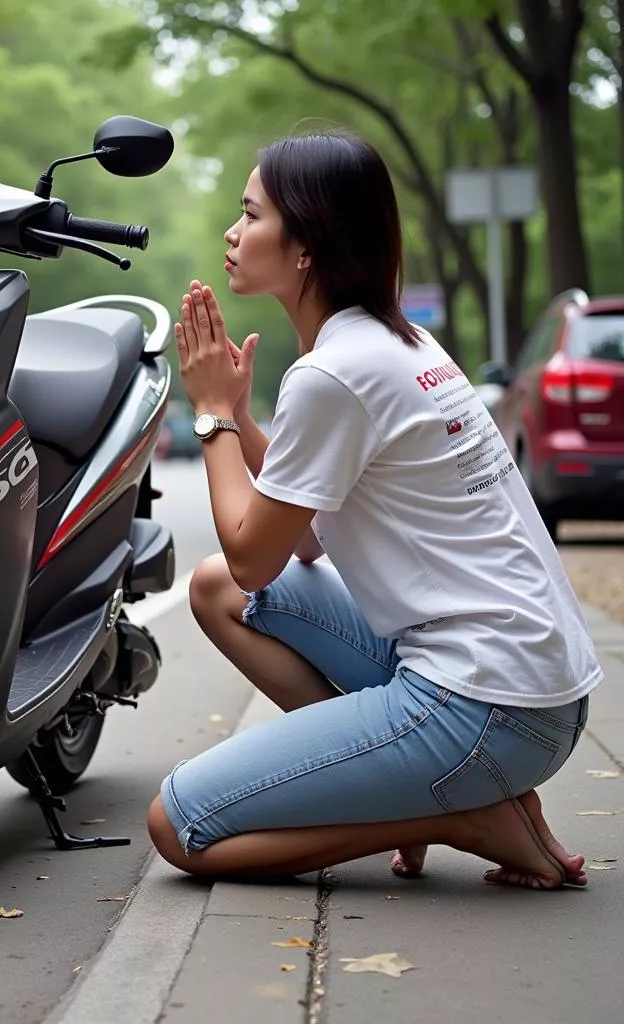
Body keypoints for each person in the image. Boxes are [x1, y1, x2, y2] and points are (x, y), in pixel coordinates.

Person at [146, 129, 602, 890]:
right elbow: (308, 543)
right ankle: (421, 784)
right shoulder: (397, 343)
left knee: (180, 828)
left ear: (306, 249)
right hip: (534, 691)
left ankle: (455, 815)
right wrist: (247, 423)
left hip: (486, 706)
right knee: (217, 589)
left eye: (251, 215)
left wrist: (216, 416)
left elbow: (260, 553)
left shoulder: (336, 371)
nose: (232, 232)